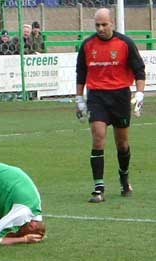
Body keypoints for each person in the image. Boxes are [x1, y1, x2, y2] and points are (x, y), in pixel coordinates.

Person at [75, 8, 145, 203]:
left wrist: (139, 94)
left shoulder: (125, 43)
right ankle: (99, 188)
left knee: (121, 144)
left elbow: (139, 70)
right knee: (98, 138)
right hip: (97, 96)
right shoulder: (87, 45)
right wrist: (79, 99)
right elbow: (81, 72)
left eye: (104, 24)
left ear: (112, 23)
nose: (100, 28)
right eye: (97, 25)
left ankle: (124, 179)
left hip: (120, 96)